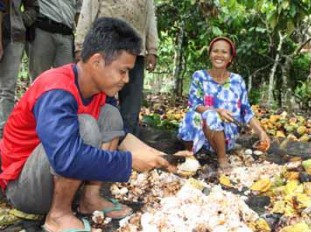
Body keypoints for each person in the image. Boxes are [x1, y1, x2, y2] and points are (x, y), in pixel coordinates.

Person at [0, 17, 190, 232]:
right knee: (86, 126)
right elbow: (66, 159)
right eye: (122, 71)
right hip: (25, 188)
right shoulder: (56, 89)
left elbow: (123, 137)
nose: (126, 79)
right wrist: (128, 162)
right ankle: (58, 215)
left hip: (55, 177)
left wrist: (163, 159)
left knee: (110, 115)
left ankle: (90, 198)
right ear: (97, 61)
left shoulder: (99, 92)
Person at [178, 36, 270, 173]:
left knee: (212, 116)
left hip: (227, 135)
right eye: (215, 51)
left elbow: (246, 112)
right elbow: (195, 104)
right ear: (210, 54)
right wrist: (217, 110)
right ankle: (190, 154)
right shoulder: (199, 76)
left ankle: (222, 158)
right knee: (195, 116)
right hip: (201, 132)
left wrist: (261, 132)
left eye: (224, 52)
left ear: (230, 58)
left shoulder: (237, 81)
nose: (219, 55)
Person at [75, 0, 158, 136]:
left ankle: (127, 141)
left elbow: (150, 17)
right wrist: (80, 45)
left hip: (135, 51)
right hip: (107, 49)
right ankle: (100, 144)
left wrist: (152, 49)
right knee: (101, 105)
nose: (125, 78)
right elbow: (87, 11)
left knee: (130, 108)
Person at [0, 0, 39, 138]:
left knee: (7, 89)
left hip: (15, 37)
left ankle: (4, 132)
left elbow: (34, 7)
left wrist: (20, 21)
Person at [28, 0, 78, 80]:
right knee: (39, 77)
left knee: (67, 78)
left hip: (67, 34)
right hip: (43, 29)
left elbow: (79, 11)